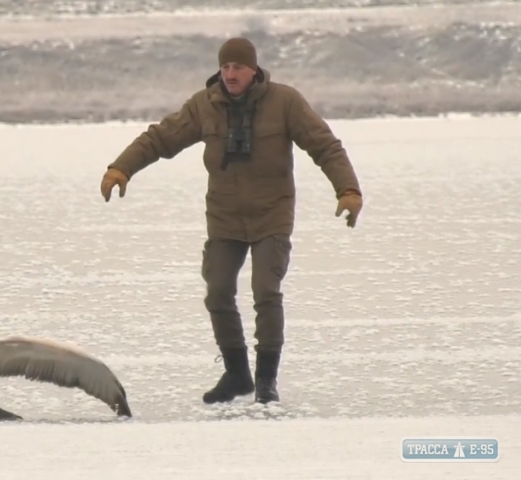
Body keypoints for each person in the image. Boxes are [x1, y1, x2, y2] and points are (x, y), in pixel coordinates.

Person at [99, 36, 363, 406]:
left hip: (272, 213)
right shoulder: (205, 105)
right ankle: (238, 373)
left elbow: (325, 146)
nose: (230, 74)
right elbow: (160, 138)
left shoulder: (285, 102)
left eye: (238, 67)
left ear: (253, 70)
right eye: (225, 68)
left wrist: (348, 190)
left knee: (265, 291)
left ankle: (266, 380)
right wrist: (121, 168)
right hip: (224, 216)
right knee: (218, 289)